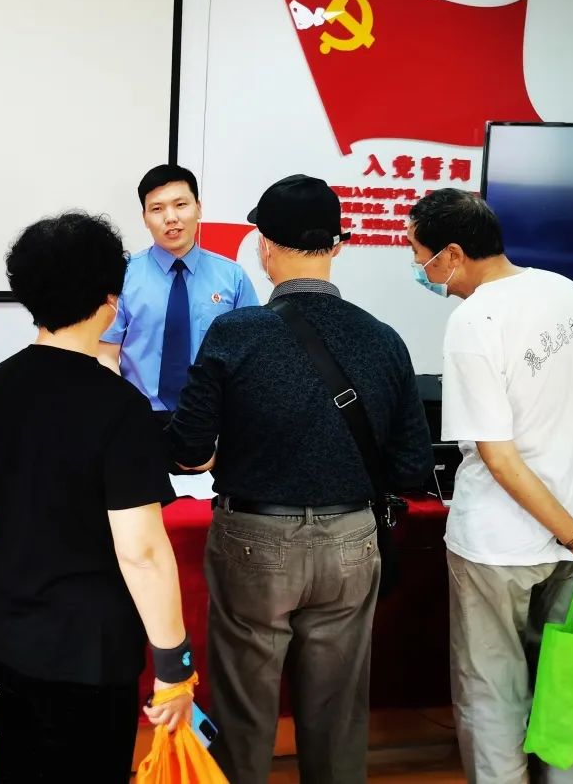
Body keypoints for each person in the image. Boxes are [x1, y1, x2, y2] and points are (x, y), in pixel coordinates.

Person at [170, 174, 434, 784]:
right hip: (352, 541)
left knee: (243, 710)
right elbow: (411, 468)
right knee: (338, 714)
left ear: (264, 245)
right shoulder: (384, 340)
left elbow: (187, 448)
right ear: (337, 245)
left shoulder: (235, 333)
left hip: (254, 538)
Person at [407, 187, 573, 784]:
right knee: (571, 680)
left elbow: (499, 456)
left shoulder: (474, 320)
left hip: (499, 545)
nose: (418, 267)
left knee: (492, 691)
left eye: (419, 254)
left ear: (453, 254)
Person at [0, 212, 195, 783]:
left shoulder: (0, 382)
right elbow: (142, 551)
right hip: (85, 650)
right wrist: (174, 662)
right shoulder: (118, 407)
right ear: (109, 300)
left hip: (4, 632)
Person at [98, 164, 257, 432]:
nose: (171, 218)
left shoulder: (232, 277)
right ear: (145, 217)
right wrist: (120, 412)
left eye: (180, 204)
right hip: (138, 417)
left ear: (199, 208)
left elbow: (249, 358)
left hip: (212, 420)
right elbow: (106, 353)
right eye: (157, 209)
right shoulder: (122, 276)